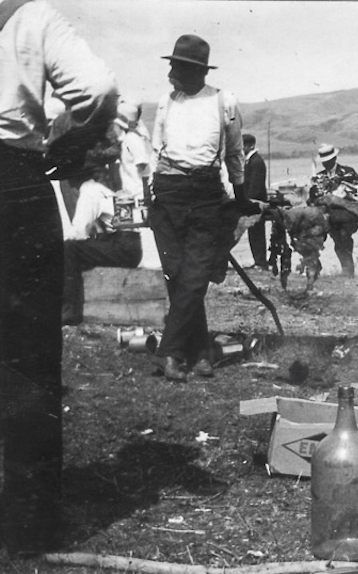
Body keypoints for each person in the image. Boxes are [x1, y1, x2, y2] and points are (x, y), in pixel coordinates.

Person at [0, 0, 117, 556]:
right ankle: (29, 527)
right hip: (14, 182)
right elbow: (95, 89)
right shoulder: (31, 15)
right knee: (27, 359)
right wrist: (69, 146)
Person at [150, 34, 255, 382]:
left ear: (195, 70)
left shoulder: (224, 103)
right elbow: (155, 152)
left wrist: (241, 199)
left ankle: (168, 352)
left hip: (206, 195)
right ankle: (201, 354)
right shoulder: (166, 103)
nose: (169, 73)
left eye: (176, 67)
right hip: (167, 193)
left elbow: (235, 154)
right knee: (179, 276)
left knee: (194, 278)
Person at [61, 134, 142, 326]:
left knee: (69, 248)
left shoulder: (88, 192)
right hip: (127, 244)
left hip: (123, 246)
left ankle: (70, 309)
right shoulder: (97, 188)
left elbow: (78, 232)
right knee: (76, 248)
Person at [308, 143, 358, 277]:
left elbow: (357, 193)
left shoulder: (348, 172)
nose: (326, 164)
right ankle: (314, 271)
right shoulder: (319, 177)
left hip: (345, 216)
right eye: (324, 162)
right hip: (327, 217)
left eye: (328, 161)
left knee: (343, 239)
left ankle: (348, 272)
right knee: (315, 239)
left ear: (334, 159)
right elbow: (313, 198)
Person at [242, 133, 268, 269]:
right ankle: (258, 261)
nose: (241, 149)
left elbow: (255, 186)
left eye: (243, 146)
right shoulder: (251, 161)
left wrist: (249, 202)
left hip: (256, 203)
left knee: (257, 233)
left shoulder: (256, 162)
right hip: (253, 202)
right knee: (253, 233)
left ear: (250, 146)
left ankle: (261, 263)